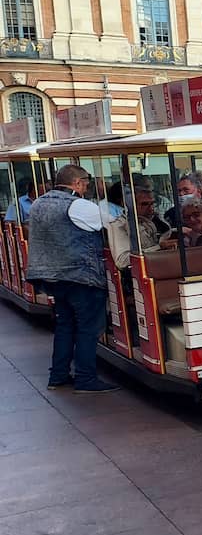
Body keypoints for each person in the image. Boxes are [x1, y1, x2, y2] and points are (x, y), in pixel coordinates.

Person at [25, 165, 117, 393]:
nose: (87, 186)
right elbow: (111, 223)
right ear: (76, 182)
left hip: (52, 277)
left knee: (65, 326)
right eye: (86, 182)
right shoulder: (79, 205)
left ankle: (58, 376)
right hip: (81, 276)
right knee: (88, 328)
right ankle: (86, 379)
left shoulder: (39, 203)